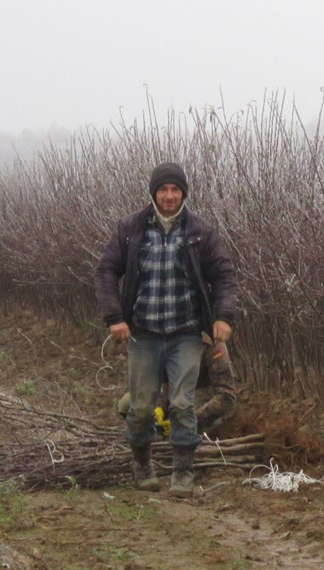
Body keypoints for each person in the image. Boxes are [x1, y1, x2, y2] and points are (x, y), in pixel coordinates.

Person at [95, 162, 239, 496]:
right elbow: (105, 271)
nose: (170, 196)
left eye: (176, 190)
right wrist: (114, 317)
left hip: (186, 332)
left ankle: (182, 472)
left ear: (184, 193)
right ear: (153, 192)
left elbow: (224, 276)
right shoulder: (130, 229)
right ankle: (142, 462)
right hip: (142, 332)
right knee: (142, 405)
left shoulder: (201, 232)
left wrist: (223, 316)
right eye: (163, 189)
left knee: (182, 402)